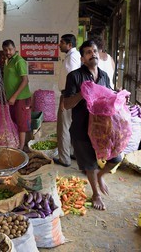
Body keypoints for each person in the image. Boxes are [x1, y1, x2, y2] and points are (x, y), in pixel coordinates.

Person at [64, 39, 122, 210]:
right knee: (90, 165)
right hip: (82, 128)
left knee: (116, 158)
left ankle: (100, 176)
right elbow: (67, 104)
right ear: (82, 58)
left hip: (103, 129)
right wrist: (83, 93)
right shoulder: (74, 76)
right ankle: (96, 194)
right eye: (88, 52)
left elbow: (109, 96)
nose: (93, 54)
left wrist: (117, 98)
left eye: (95, 51)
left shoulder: (104, 76)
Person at [55, 34, 81, 167]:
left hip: (68, 96)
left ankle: (64, 159)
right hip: (70, 96)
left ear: (69, 45)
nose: (59, 45)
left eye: (62, 43)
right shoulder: (72, 57)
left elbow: (73, 82)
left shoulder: (72, 59)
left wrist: (64, 101)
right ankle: (71, 152)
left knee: (63, 128)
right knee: (70, 127)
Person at [2, 39, 32, 150]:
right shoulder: (7, 61)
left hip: (21, 98)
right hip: (12, 98)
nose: (8, 52)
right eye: (5, 50)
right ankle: (20, 143)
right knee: (15, 121)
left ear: (15, 49)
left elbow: (25, 80)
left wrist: (14, 96)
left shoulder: (19, 61)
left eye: (10, 49)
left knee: (22, 123)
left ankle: (21, 147)